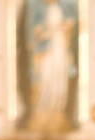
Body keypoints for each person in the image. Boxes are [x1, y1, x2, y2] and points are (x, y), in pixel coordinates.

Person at [27, 0, 77, 132]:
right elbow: (34, 32)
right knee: (46, 77)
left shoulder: (64, 8)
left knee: (59, 77)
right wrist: (43, 33)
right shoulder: (38, 9)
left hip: (60, 47)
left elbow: (72, 28)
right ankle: (43, 108)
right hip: (46, 50)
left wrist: (67, 27)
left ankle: (57, 107)